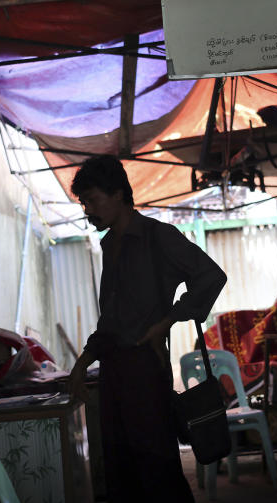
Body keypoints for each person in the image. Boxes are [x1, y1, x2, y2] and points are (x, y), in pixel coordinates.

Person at [66, 155, 227, 503]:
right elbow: (110, 319)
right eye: (84, 203)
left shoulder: (158, 237)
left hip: (145, 371)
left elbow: (211, 277)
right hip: (112, 374)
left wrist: (168, 320)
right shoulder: (111, 244)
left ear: (119, 194)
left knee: (159, 470)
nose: (88, 210)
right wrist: (83, 362)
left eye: (92, 200)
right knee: (121, 474)